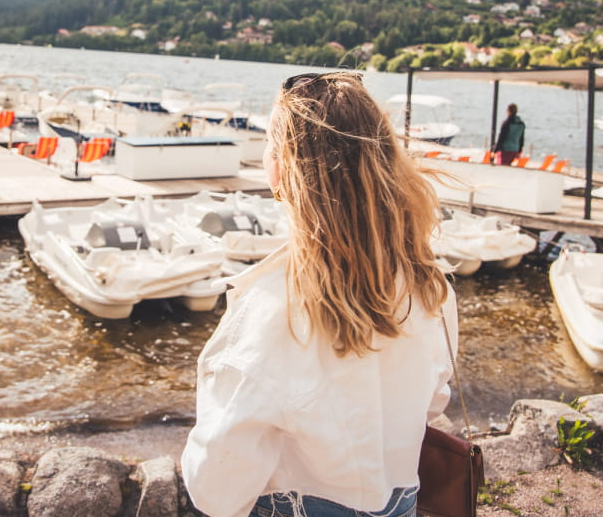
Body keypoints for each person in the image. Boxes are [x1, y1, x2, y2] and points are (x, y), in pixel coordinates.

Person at [181, 71, 458, 517]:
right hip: (399, 501)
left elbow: (215, 489)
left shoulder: (272, 310)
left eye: (270, 143)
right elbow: (432, 401)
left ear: (282, 167)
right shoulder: (430, 282)